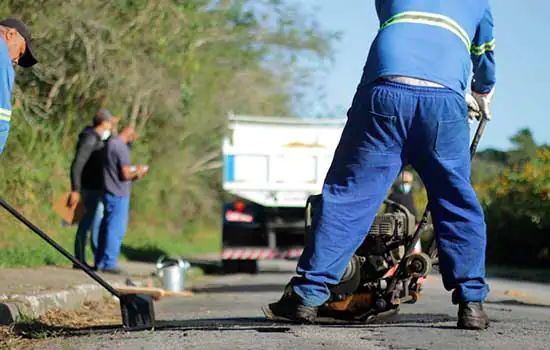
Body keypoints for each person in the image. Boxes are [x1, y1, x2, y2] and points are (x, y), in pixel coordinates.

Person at [263, 0, 495, 330]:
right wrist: (481, 93)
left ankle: (306, 297)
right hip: (443, 103)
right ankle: (471, 303)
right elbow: (484, 57)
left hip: (385, 90)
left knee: (348, 197)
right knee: (457, 202)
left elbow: (394, 22)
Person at [68, 108, 119, 268]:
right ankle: (79, 260)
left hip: (97, 188)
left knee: (96, 224)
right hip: (89, 188)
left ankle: (95, 261)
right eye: (110, 123)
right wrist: (75, 189)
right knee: (85, 225)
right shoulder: (89, 139)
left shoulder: (100, 139)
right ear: (104, 123)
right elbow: (77, 164)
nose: (112, 126)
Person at [94, 127, 148, 274]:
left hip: (107, 190)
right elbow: (125, 174)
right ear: (130, 136)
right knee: (115, 229)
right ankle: (110, 263)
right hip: (119, 193)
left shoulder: (110, 144)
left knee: (105, 227)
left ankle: (99, 261)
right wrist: (139, 172)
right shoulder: (122, 148)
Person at [0, 18, 38, 154]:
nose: (16, 60)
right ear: (10, 34)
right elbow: (1, 118)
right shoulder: (2, 56)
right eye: (20, 53)